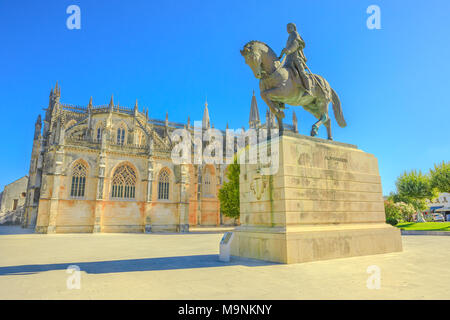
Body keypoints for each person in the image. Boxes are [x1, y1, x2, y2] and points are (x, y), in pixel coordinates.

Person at [279, 23, 313, 95]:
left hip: (295, 57)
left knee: (302, 72)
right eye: (287, 27)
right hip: (288, 59)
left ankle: (308, 89)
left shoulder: (295, 34)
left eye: (290, 26)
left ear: (294, 28)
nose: (288, 28)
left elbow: (295, 44)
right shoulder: (289, 37)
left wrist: (289, 50)